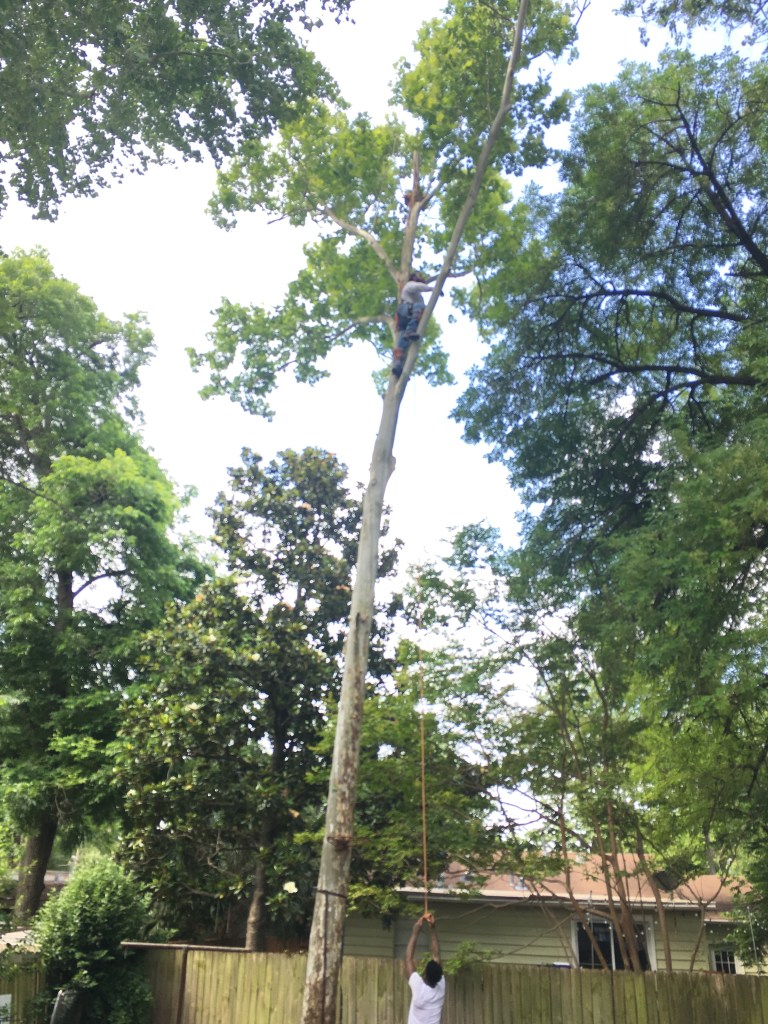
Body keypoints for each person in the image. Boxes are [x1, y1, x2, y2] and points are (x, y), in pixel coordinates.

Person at [404, 912, 445, 1024]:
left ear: (425, 975)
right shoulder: (440, 988)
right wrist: (432, 928)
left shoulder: (420, 990)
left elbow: (408, 959)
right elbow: (436, 955)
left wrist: (415, 933)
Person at [392, 272, 435, 377]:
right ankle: (410, 330)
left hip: (404, 316)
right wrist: (433, 289)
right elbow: (418, 286)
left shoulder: (417, 296)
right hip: (406, 311)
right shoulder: (410, 284)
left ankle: (398, 365)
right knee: (421, 307)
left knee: (402, 338)